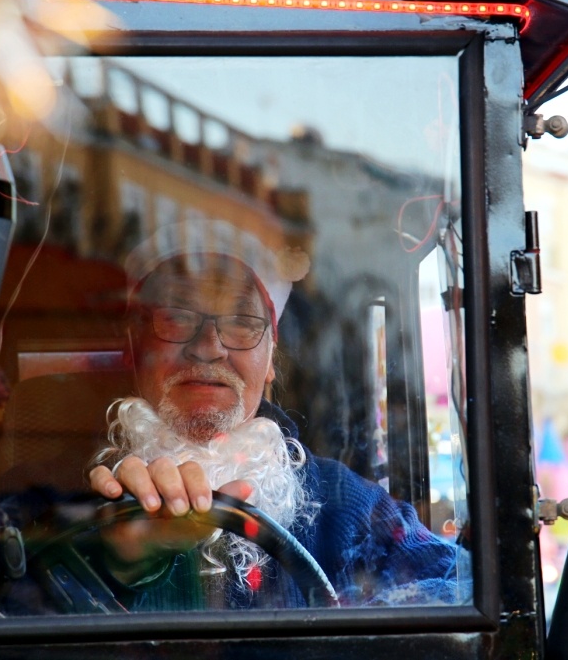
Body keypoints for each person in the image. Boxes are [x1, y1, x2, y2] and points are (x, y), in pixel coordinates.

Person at [72, 219, 465, 610]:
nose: (209, 347)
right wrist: (117, 567)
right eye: (177, 316)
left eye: (241, 322)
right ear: (133, 344)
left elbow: (460, 590)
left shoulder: (343, 506)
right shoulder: (67, 497)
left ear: (271, 359)